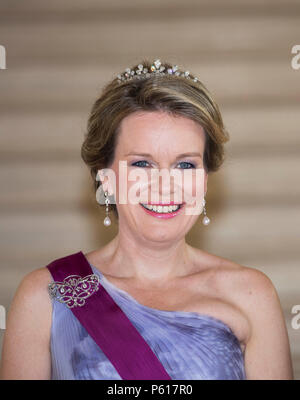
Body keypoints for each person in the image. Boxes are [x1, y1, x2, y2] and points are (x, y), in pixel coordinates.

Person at [0, 59, 294, 380]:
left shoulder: (251, 295)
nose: (165, 185)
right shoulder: (46, 295)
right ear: (107, 179)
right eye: (141, 163)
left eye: (185, 165)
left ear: (205, 181)